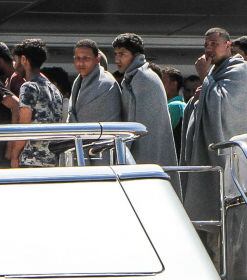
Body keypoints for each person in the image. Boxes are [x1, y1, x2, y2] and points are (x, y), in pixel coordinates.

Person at [181, 27, 247, 219]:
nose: (209, 49)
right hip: (203, 151)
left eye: (214, 44)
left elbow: (226, 106)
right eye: (206, 45)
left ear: (228, 45)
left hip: (224, 154)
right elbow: (205, 100)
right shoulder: (213, 72)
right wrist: (197, 99)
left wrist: (205, 77)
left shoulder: (239, 69)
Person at [113, 33, 180, 186]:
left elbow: (145, 129)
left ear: (135, 55)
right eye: (116, 54)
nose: (117, 60)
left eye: (122, 54)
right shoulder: (134, 77)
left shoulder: (144, 78)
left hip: (147, 157)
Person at [7, 39, 66, 168]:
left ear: (24, 60)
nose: (14, 65)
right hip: (51, 160)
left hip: (31, 159)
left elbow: (24, 126)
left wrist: (14, 154)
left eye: (16, 60)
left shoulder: (29, 87)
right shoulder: (54, 89)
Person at [69, 39, 122, 124]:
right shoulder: (77, 82)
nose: (81, 63)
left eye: (86, 58)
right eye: (77, 58)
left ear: (97, 59)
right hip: (78, 135)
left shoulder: (107, 84)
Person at [161, 67, 187, 154]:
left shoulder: (175, 106)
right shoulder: (183, 105)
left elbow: (161, 135)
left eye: (163, 82)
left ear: (174, 84)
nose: (159, 85)